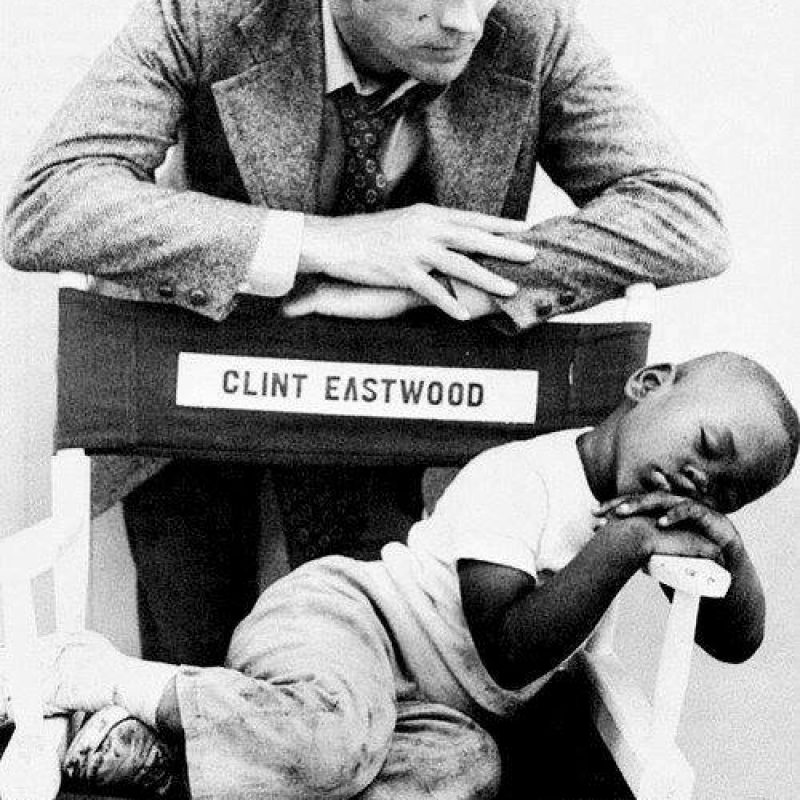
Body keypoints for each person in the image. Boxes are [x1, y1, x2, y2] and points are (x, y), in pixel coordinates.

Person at [2, 0, 731, 666]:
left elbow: (684, 218)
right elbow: (48, 203)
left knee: (377, 681)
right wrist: (324, 244)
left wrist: (459, 271)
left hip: (401, 425)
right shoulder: (207, 12)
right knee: (191, 675)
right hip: (198, 413)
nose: (465, 22)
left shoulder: (532, 30)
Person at [3, 351, 796, 798]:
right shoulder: (524, 477)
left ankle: (169, 763)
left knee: (464, 772)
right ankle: (102, 676)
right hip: (348, 621)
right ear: (649, 386)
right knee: (334, 735)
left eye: (727, 493)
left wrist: (730, 552)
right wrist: (622, 548)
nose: (702, 482)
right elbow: (508, 647)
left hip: (422, 705)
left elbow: (734, 642)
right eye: (709, 447)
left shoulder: (644, 517)